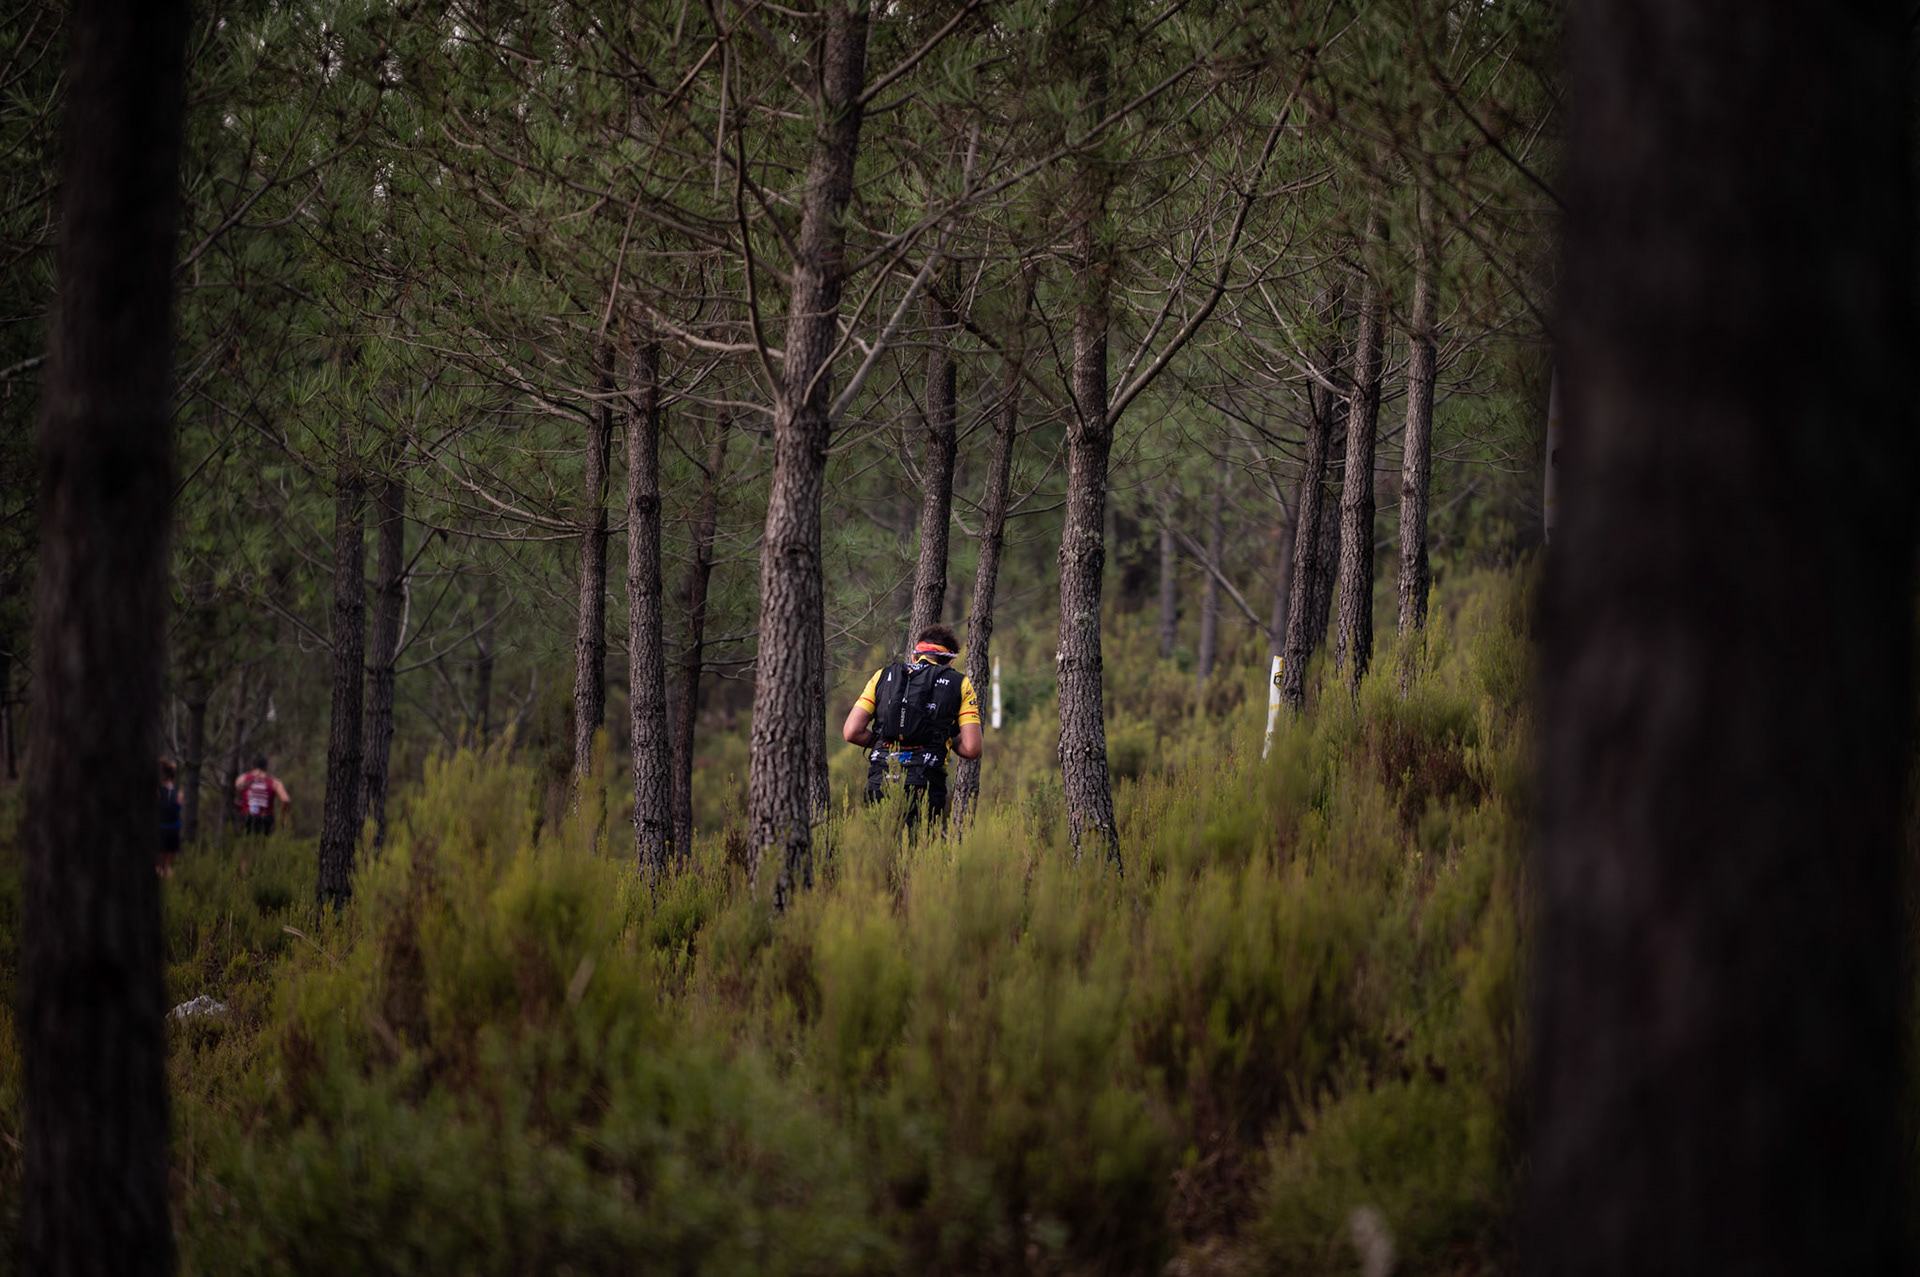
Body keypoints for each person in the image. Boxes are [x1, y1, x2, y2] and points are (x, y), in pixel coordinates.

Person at [842, 623, 983, 835]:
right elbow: (972, 749)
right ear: (950, 661)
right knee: (917, 849)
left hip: (881, 779)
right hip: (925, 782)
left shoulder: (882, 676)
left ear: (915, 656)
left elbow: (851, 732)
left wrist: (885, 741)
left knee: (879, 849)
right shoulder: (960, 683)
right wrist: (945, 737)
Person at [234, 755, 291, 836]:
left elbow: (232, 797)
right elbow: (286, 800)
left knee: (244, 841)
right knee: (264, 842)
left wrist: (241, 806)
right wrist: (282, 818)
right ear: (266, 767)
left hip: (246, 817)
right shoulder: (275, 782)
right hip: (266, 819)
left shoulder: (242, 779)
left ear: (252, 766)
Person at [158, 758, 182, 877]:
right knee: (168, 866)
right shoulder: (178, 793)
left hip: (161, 828)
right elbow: (179, 807)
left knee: (159, 865)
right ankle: (170, 885)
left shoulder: (159, 792)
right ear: (173, 777)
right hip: (174, 829)